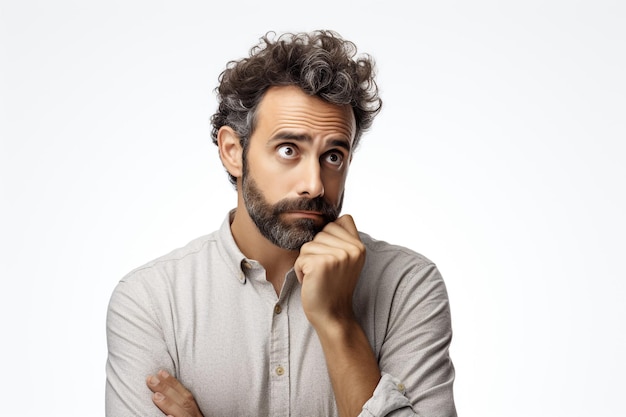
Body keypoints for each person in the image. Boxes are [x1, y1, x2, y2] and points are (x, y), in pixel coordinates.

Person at [105, 30, 457, 417]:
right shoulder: (151, 300)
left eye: (334, 156)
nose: (315, 184)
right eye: (289, 150)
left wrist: (338, 321)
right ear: (233, 152)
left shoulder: (407, 286)